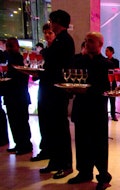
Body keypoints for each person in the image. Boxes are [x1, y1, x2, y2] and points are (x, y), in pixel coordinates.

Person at [67, 32, 114, 190]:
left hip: (97, 109)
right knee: (81, 142)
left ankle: (103, 175)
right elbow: (70, 80)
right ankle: (84, 172)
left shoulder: (106, 64)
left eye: (91, 41)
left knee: (99, 144)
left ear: (100, 44)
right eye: (86, 41)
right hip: (80, 108)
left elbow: (106, 88)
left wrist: (86, 91)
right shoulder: (77, 60)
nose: (87, 43)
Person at [38, 9, 74, 179]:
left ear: (58, 22)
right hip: (50, 88)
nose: (50, 23)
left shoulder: (64, 40)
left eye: (52, 20)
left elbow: (53, 60)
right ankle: (55, 160)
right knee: (51, 127)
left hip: (57, 90)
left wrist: (45, 52)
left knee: (59, 128)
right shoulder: (59, 40)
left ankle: (65, 163)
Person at [30, 23, 56, 162]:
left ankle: (50, 151)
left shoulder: (53, 52)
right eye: (45, 32)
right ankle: (45, 149)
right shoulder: (44, 52)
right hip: (44, 89)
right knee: (43, 120)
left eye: (50, 32)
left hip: (52, 90)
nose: (47, 35)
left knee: (51, 122)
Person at [3, 37, 33, 155]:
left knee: (21, 121)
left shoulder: (19, 60)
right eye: (8, 46)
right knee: (14, 121)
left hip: (19, 96)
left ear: (17, 46)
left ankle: (25, 145)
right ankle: (18, 143)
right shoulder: (8, 59)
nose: (9, 48)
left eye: (11, 46)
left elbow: (21, 78)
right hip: (11, 95)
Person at [105, 46, 119, 121]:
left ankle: (113, 114)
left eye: (107, 51)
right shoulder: (104, 60)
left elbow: (116, 71)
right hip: (106, 82)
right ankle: (105, 114)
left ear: (111, 52)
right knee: (105, 99)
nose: (105, 52)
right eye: (105, 51)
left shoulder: (116, 61)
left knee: (113, 100)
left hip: (113, 81)